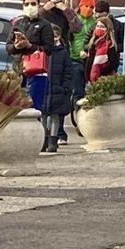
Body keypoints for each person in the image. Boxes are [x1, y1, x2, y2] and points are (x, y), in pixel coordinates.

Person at [6, 0, 54, 111]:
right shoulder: (18, 23)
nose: (30, 6)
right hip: (18, 69)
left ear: (38, 5)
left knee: (34, 106)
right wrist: (17, 46)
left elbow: (49, 49)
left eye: (33, 4)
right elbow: (8, 47)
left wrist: (30, 46)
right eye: (27, 4)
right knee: (15, 105)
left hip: (36, 70)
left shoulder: (45, 25)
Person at [42, 24, 73, 153]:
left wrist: (65, 88)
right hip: (44, 87)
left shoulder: (63, 52)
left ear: (58, 36)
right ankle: (43, 140)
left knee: (55, 115)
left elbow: (68, 72)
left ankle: (52, 141)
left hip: (57, 88)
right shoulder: (43, 50)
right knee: (43, 115)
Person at [68, 0, 96, 120]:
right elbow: (69, 39)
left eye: (91, 7)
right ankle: (77, 117)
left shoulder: (94, 22)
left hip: (90, 60)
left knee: (89, 91)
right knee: (78, 91)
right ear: (80, 6)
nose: (89, 9)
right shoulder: (75, 21)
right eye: (86, 6)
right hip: (75, 60)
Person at [84, 16, 120, 83]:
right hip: (91, 80)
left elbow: (114, 63)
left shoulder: (110, 45)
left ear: (107, 29)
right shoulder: (93, 43)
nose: (99, 28)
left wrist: (102, 70)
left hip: (104, 80)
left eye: (102, 26)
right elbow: (89, 62)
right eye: (98, 26)